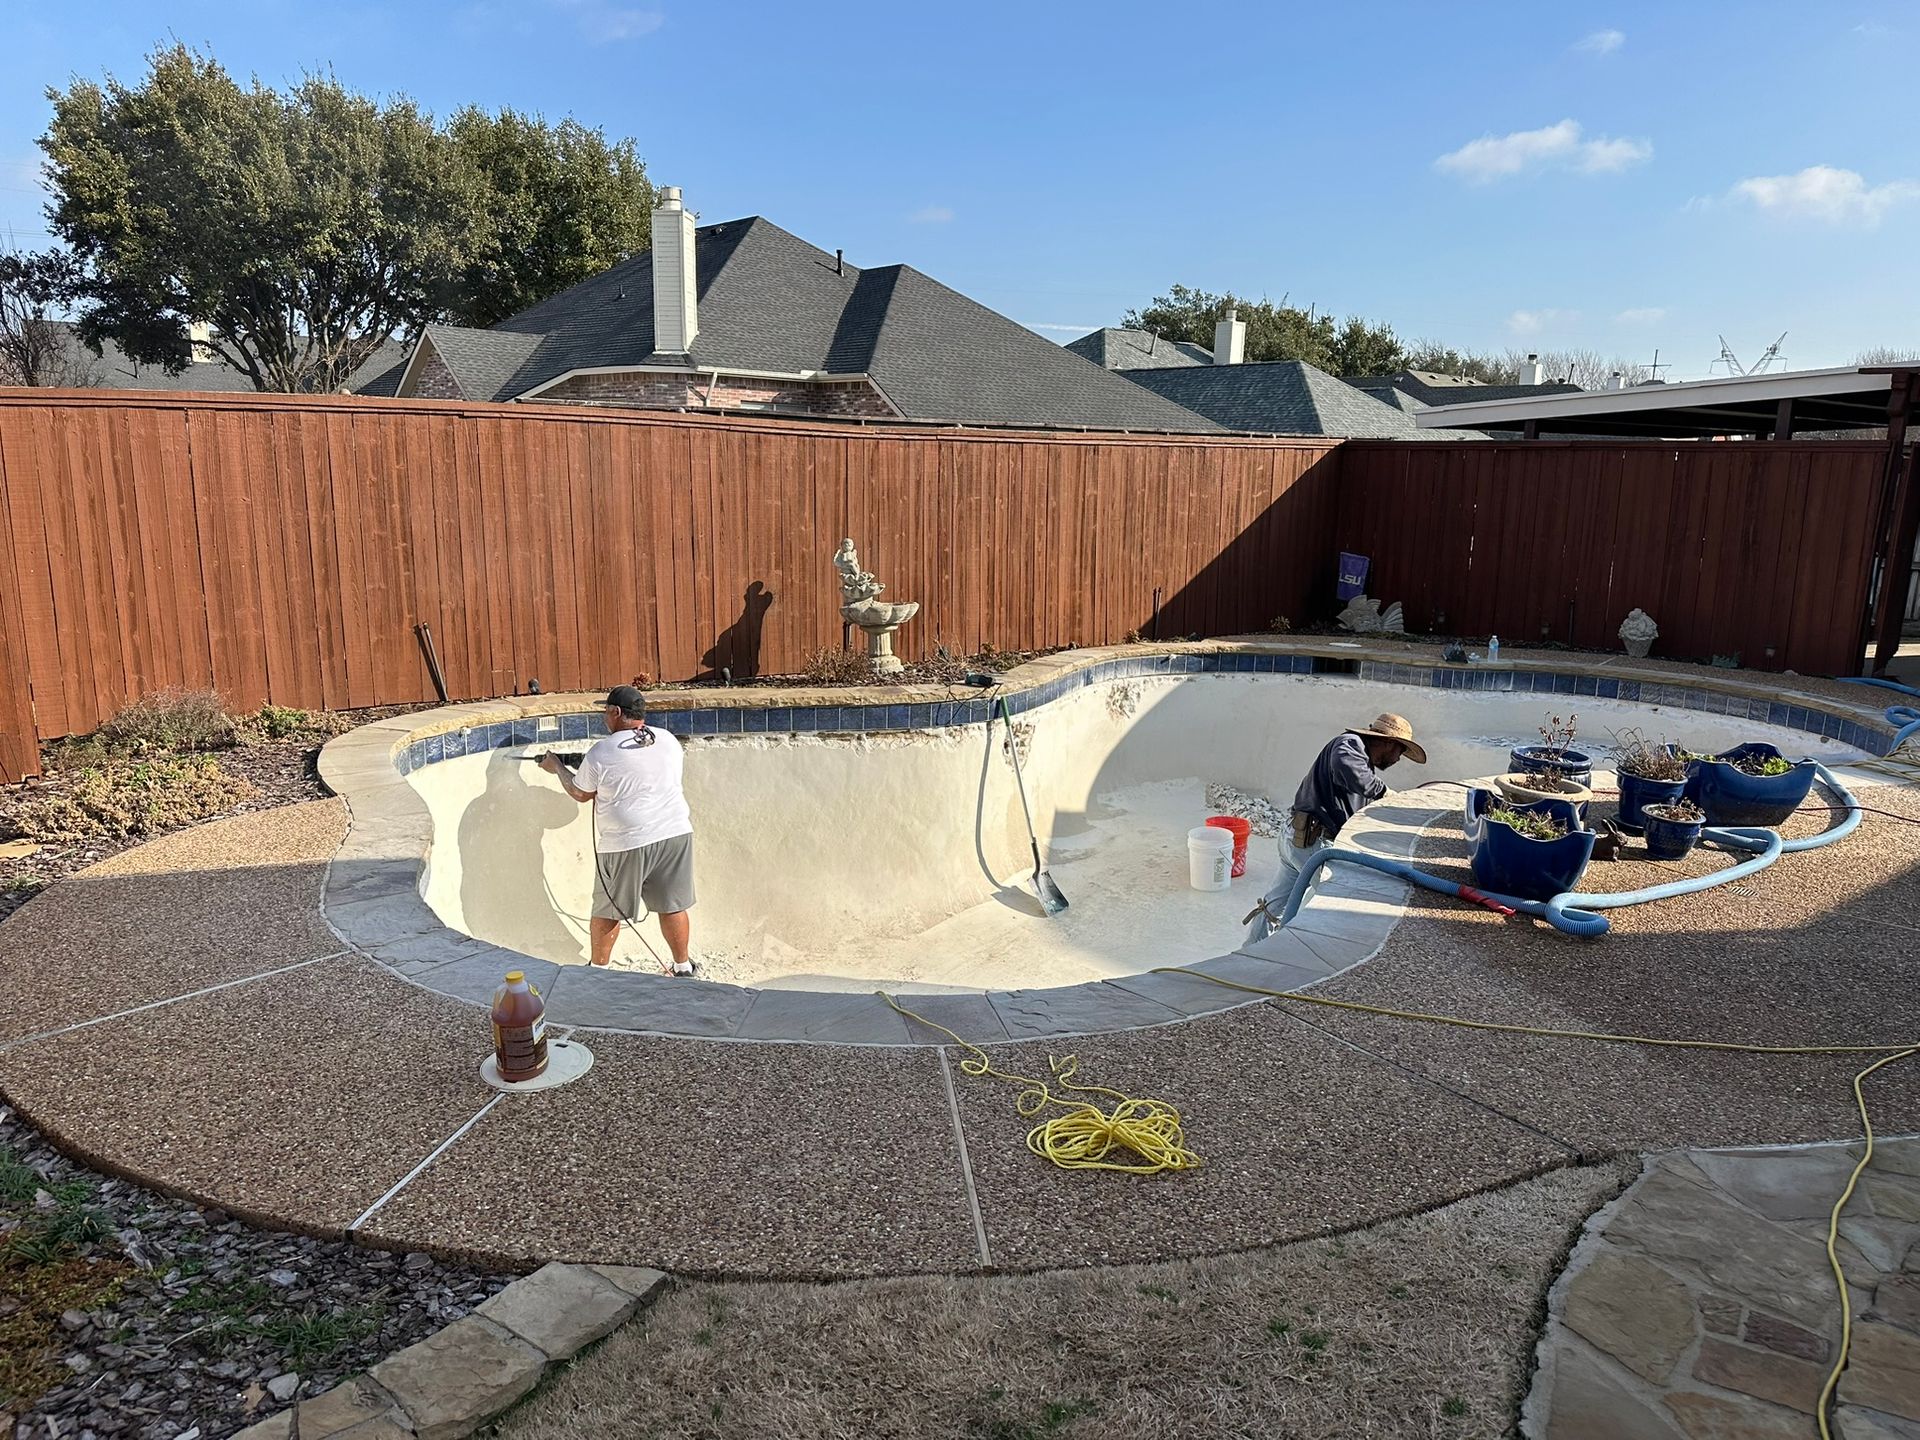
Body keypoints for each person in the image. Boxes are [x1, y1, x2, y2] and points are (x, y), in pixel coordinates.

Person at [541, 685, 697, 975]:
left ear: (616, 712)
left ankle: (598, 972)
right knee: (672, 904)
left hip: (627, 842)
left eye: (605, 711)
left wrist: (557, 767)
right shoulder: (667, 739)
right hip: (675, 834)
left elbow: (580, 792)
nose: (604, 716)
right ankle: (683, 966)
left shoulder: (602, 751)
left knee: (609, 909)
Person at [1247, 712, 1426, 940]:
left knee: (1274, 909)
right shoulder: (1350, 744)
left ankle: (1248, 955)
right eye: (1400, 752)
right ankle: (1300, 962)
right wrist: (1384, 793)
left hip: (1297, 838)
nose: (1398, 759)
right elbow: (1346, 766)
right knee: (1331, 909)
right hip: (1314, 845)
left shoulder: (1362, 760)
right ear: (1389, 743)